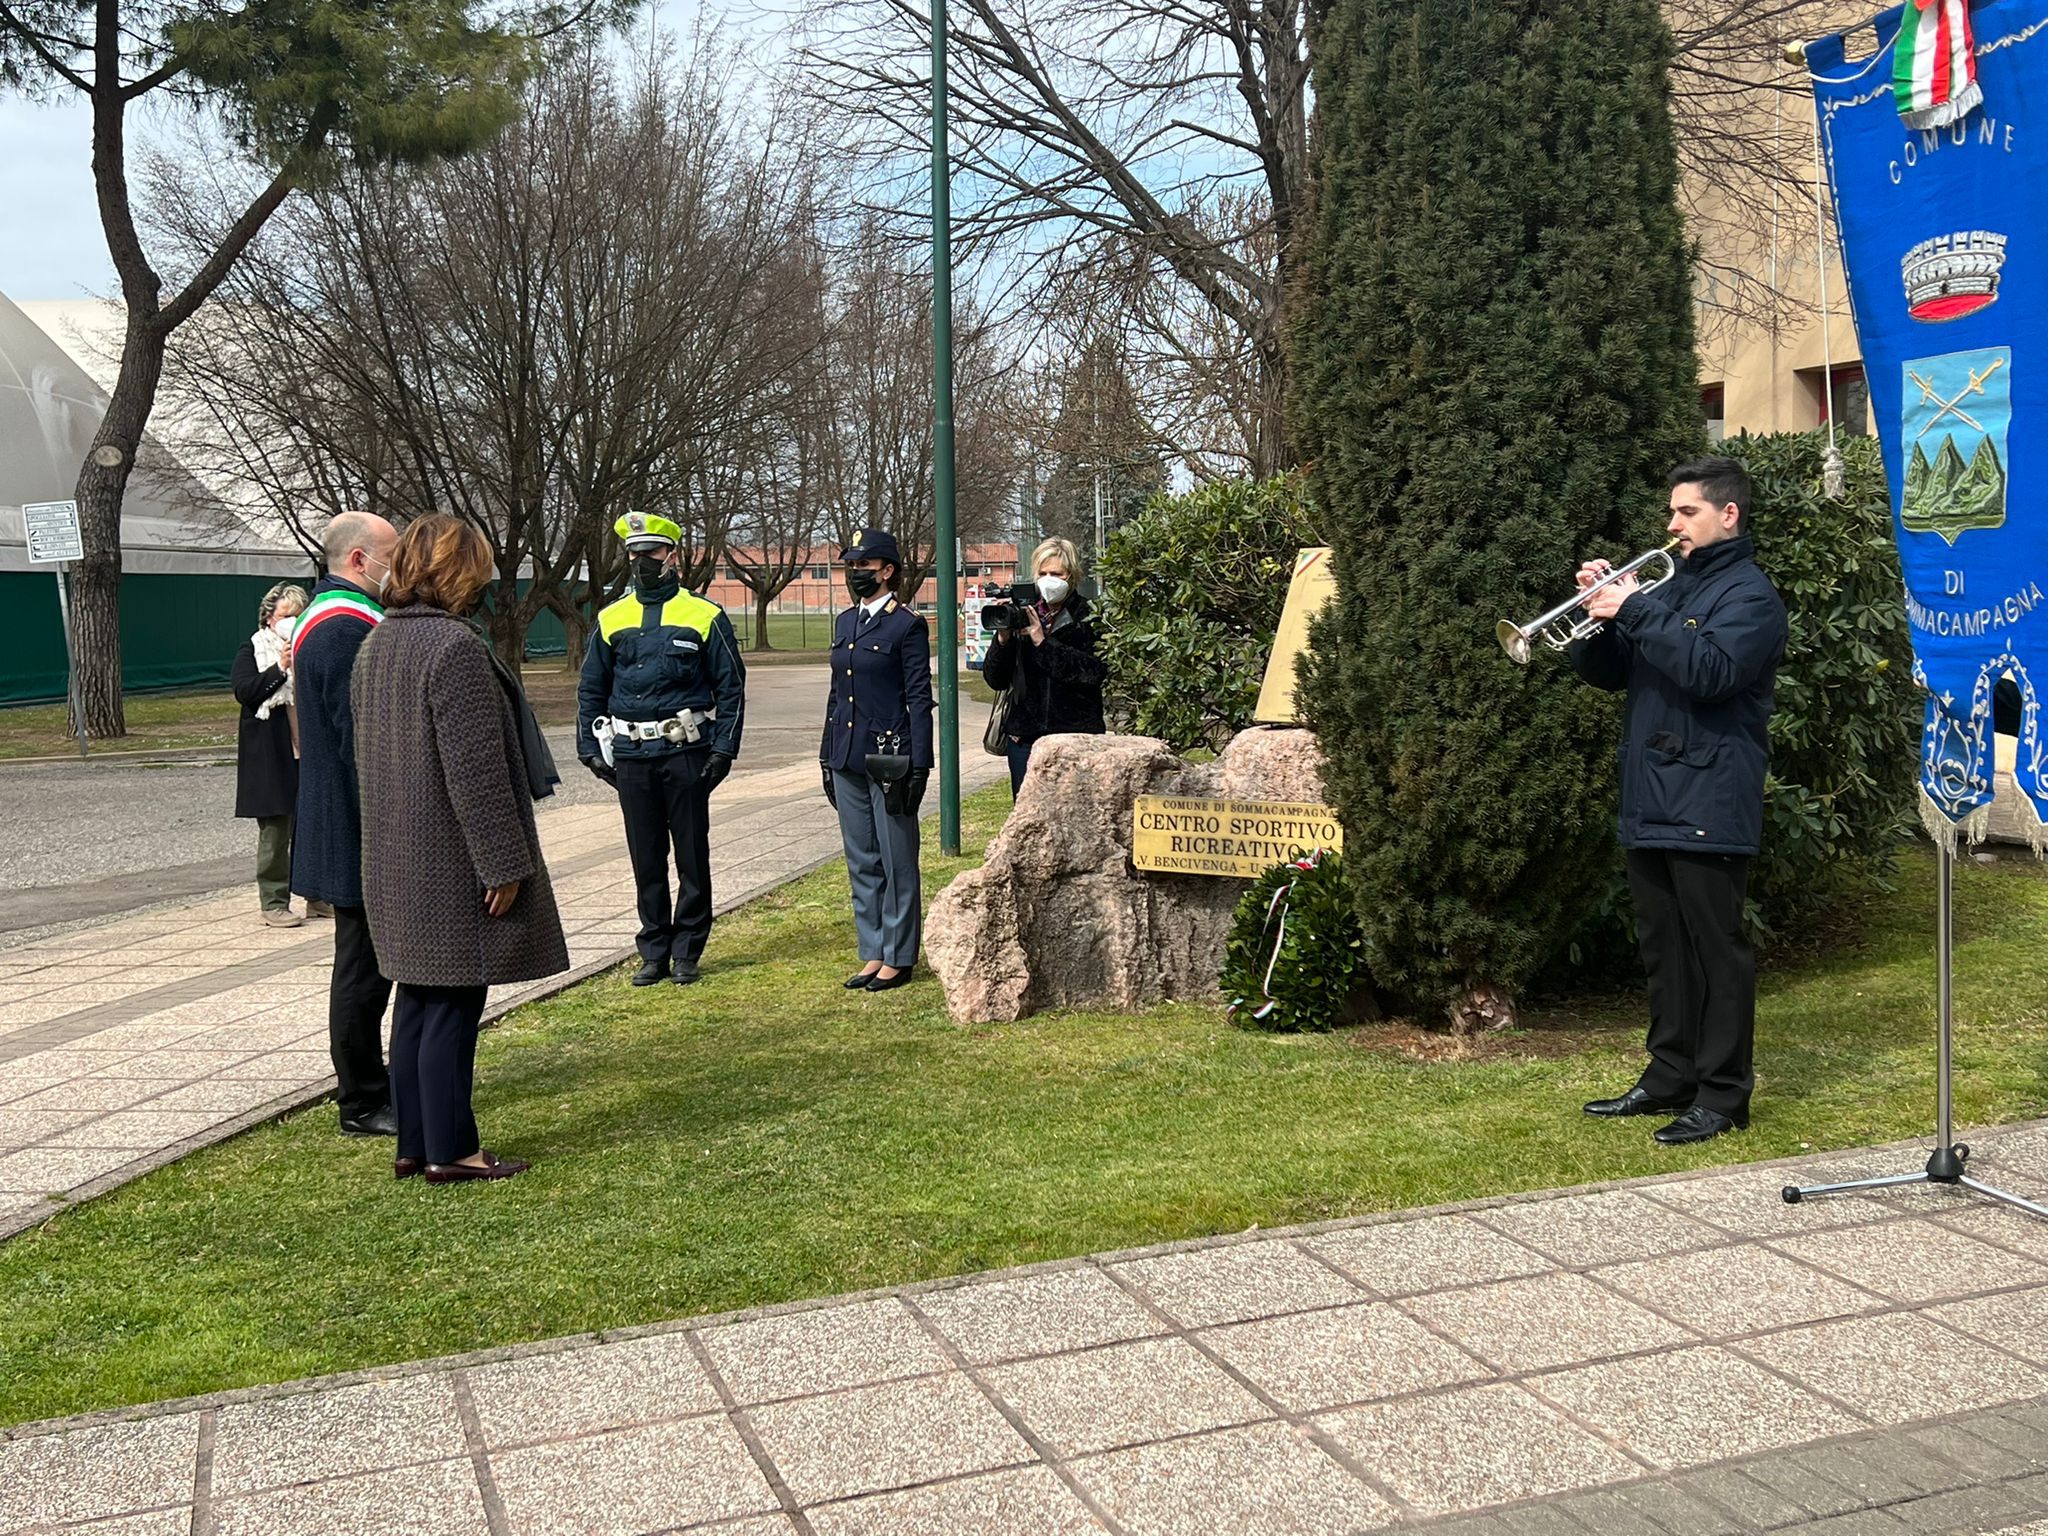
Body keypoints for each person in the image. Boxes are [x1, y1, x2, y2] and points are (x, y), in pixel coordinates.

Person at [1572, 456, 1788, 1146]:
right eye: (1671, 512)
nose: (1671, 524)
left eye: (1686, 512)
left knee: (1715, 952)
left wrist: (1635, 606)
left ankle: (1723, 1096)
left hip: (1708, 797)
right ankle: (1669, 1074)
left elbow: (1711, 673)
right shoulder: (1671, 592)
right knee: (1663, 947)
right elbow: (1609, 675)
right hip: (1652, 793)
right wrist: (1600, 615)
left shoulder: (1751, 597)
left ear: (1729, 515)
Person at [353, 514, 568, 1183]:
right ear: (457, 570)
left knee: (419, 1001)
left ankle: (415, 1143)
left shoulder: (378, 644)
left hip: (396, 855)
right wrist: (503, 863)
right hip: (447, 859)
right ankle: (453, 1150)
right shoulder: (453, 649)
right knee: (452, 1004)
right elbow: (474, 772)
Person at [576, 511, 747, 986]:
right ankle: (653, 948)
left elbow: (731, 687)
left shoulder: (705, 615)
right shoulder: (612, 618)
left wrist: (723, 751)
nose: (641, 561)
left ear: (672, 555)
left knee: (692, 855)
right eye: (634, 554)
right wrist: (590, 748)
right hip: (632, 758)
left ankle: (688, 949)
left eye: (650, 552)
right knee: (645, 857)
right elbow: (591, 688)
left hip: (686, 753)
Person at [292, 512, 401, 1138]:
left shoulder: (335, 619)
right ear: (359, 560)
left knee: (366, 965)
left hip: (348, 821)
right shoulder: (342, 628)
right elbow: (360, 740)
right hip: (353, 827)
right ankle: (360, 1097)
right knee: (362, 970)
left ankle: (372, 1084)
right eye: (389, 555)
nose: (398, 567)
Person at [821, 528, 934, 992]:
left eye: (863, 568)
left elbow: (919, 698)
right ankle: (872, 949)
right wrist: (826, 756)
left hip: (890, 757)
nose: (855, 575)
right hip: (847, 754)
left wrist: (920, 764)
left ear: (887, 571)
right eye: (851, 568)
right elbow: (836, 696)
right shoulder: (846, 622)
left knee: (896, 857)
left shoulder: (905, 625)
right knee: (861, 858)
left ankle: (899, 954)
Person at [980, 535, 1108, 796]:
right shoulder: (1022, 613)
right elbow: (996, 679)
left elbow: (1093, 672)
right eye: (1043, 572)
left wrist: (1042, 641)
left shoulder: (1089, 615)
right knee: (1029, 820)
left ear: (1071, 576)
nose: (1049, 579)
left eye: (1057, 573)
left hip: (1075, 738)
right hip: (1025, 739)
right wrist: (1003, 640)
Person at [232, 584, 310, 928]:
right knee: (277, 829)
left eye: (297, 615)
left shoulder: (312, 646)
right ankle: (274, 901)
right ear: (268, 617)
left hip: (307, 747)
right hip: (271, 750)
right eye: (284, 615)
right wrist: (280, 668)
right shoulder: (254, 648)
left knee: (312, 825)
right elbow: (245, 691)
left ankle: (319, 897)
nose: (290, 622)